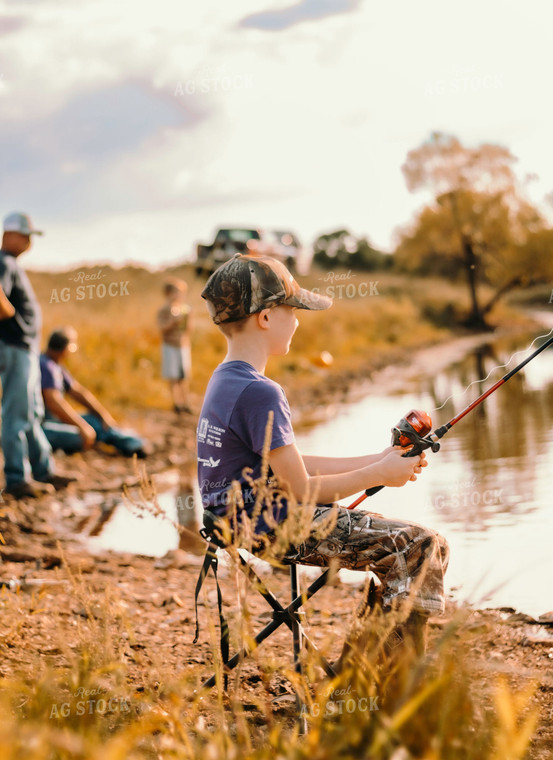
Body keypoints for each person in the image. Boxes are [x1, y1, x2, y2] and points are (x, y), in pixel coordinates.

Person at [197, 253, 449, 659]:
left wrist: (377, 460)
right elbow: (300, 490)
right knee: (420, 545)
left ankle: (362, 666)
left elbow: (292, 466)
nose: (297, 320)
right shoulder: (262, 392)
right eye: (291, 309)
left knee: (407, 543)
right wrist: (377, 474)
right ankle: (391, 683)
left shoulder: (224, 379)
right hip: (274, 526)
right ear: (265, 317)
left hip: (238, 521)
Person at [0, 212, 74, 498]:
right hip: (15, 348)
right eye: (26, 236)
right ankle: (17, 479)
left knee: (31, 414)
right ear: (10, 234)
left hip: (24, 349)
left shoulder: (10, 263)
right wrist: (12, 317)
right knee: (16, 415)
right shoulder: (4, 261)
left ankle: (43, 472)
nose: (30, 242)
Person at [40, 327, 147, 458]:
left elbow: (77, 391)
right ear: (66, 349)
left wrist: (103, 415)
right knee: (79, 435)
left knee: (95, 421)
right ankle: (129, 443)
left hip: (56, 421)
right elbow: (53, 402)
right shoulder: (46, 366)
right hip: (45, 425)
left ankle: (128, 440)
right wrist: (82, 427)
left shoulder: (55, 364)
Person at [157, 278, 193, 414]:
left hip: (183, 346)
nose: (180, 296)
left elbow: (188, 330)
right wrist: (173, 321)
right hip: (169, 345)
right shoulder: (164, 310)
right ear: (168, 293)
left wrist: (188, 319)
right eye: (177, 292)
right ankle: (176, 403)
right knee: (173, 376)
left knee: (183, 376)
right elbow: (161, 328)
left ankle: (186, 402)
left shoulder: (183, 310)